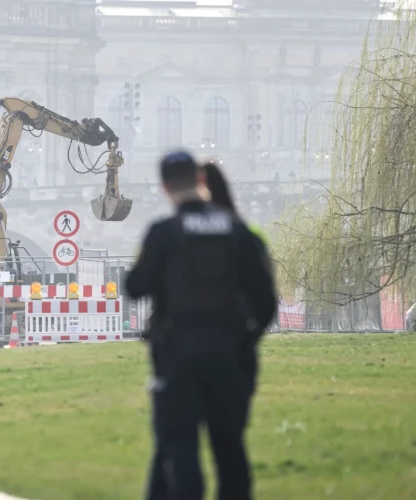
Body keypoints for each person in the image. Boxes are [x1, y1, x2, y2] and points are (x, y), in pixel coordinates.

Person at [127, 151, 277, 500]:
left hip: (178, 354)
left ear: (165, 187)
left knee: (180, 446)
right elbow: (265, 300)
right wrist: (245, 340)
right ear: (199, 179)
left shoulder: (164, 233)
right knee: (230, 448)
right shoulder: (237, 231)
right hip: (228, 352)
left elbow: (135, 286)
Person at [201, 161, 274, 428]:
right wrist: (249, 337)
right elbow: (265, 299)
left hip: (192, 348)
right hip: (236, 343)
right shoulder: (247, 234)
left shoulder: (176, 234)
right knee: (231, 438)